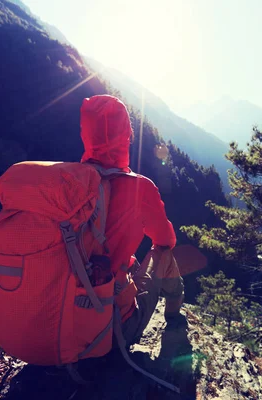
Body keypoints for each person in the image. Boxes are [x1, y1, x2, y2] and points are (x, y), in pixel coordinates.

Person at [79, 94, 185, 345]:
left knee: (132, 261)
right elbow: (165, 240)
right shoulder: (139, 188)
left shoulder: (67, 183)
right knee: (163, 254)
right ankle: (175, 318)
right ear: (126, 136)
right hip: (111, 330)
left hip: (58, 322)